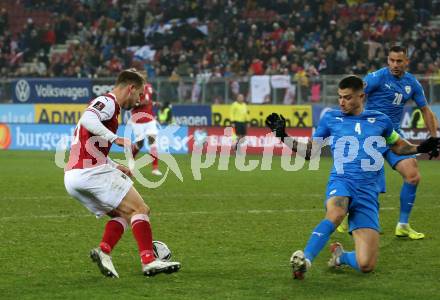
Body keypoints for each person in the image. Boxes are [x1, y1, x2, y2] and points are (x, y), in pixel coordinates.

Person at [266, 75, 440, 279]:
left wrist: (420, 148)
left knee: (366, 264)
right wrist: (283, 136)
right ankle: (305, 260)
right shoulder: (330, 118)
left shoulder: (381, 121)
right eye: (339, 97)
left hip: (368, 191)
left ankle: (340, 256)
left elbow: (398, 146)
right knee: (336, 213)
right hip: (342, 181)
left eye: (347, 97)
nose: (341, 102)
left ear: (362, 96)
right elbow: (310, 152)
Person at [64, 69, 181, 278]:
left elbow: (89, 145)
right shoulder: (108, 102)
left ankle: (104, 251)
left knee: (124, 216)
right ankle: (149, 260)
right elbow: (87, 120)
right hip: (90, 173)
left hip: (74, 177)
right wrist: (114, 138)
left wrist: (116, 165)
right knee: (140, 208)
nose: (138, 100)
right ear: (131, 88)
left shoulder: (109, 107)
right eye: (138, 94)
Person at [338, 45, 438, 239]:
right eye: (391, 60)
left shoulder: (412, 83)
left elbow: (426, 110)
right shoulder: (377, 78)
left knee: (413, 175)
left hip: (393, 136)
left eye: (399, 61)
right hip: (370, 135)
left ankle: (403, 225)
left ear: (406, 61)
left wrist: (434, 138)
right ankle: (346, 215)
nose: (395, 64)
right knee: (364, 183)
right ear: (387, 60)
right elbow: (355, 95)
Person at [130, 76, 162, 176]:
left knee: (153, 142)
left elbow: (149, 99)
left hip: (149, 120)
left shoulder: (149, 87)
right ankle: (130, 163)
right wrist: (142, 103)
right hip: (137, 121)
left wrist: (154, 103)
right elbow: (129, 104)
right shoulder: (132, 89)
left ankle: (155, 168)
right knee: (140, 144)